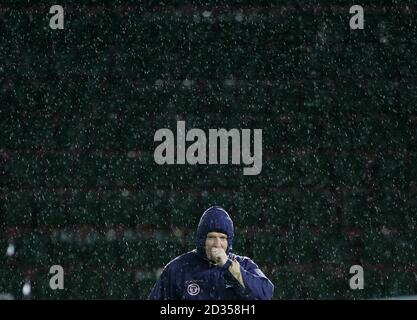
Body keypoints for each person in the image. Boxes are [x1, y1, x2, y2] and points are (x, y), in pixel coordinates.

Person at [149, 206, 275, 300]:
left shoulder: (243, 264)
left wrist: (229, 267)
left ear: (229, 241)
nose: (217, 243)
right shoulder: (177, 268)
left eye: (223, 238)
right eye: (211, 237)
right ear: (202, 240)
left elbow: (266, 293)